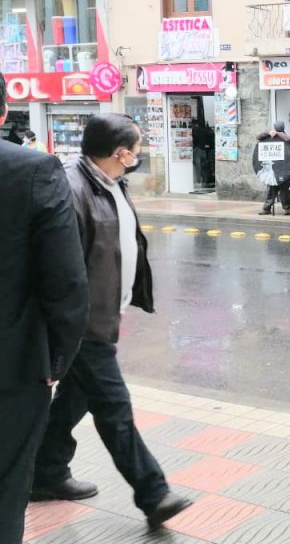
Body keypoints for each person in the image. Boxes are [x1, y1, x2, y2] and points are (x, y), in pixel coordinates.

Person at [32, 113, 194, 529]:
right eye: (137, 149)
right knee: (114, 407)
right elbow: (60, 267)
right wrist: (68, 324)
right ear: (121, 153)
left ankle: (45, 472)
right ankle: (153, 493)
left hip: (104, 313)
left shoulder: (109, 181)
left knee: (75, 399)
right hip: (81, 321)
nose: (139, 156)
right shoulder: (71, 187)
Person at [0, 74, 89, 543]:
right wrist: (56, 360)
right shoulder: (33, 171)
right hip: (12, 365)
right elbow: (67, 281)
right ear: (3, 114)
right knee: (7, 482)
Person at [256, 122, 290, 216]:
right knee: (271, 190)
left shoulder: (285, 138)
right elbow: (258, 137)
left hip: (284, 169)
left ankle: (286, 208)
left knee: (285, 191)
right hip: (273, 169)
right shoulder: (270, 137)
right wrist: (269, 133)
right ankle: (267, 208)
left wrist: (278, 133)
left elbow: (289, 139)